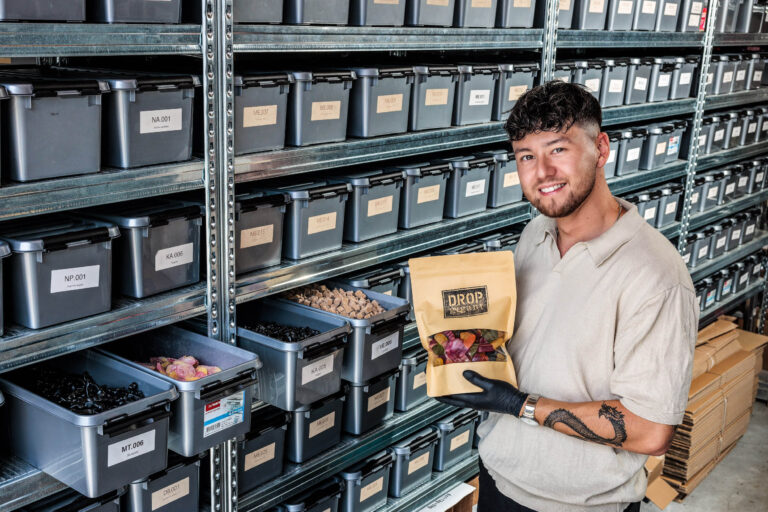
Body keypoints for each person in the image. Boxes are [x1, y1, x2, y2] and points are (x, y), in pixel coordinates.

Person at [438, 81, 698, 512]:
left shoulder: (656, 278)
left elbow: (652, 432)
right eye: (526, 156)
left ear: (601, 148)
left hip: (579, 505)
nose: (542, 172)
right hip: (500, 479)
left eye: (558, 149)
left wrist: (519, 405)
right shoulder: (534, 234)